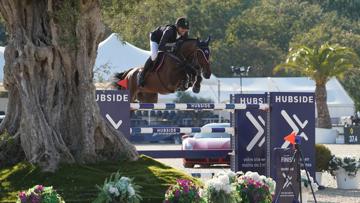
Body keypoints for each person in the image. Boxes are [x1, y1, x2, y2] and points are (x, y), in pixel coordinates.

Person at [138, 17, 190, 87]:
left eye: (185, 29)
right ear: (177, 26)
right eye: (182, 28)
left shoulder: (185, 33)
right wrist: (173, 47)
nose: (184, 30)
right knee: (154, 56)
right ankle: (142, 74)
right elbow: (161, 47)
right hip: (156, 39)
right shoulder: (169, 31)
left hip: (167, 42)